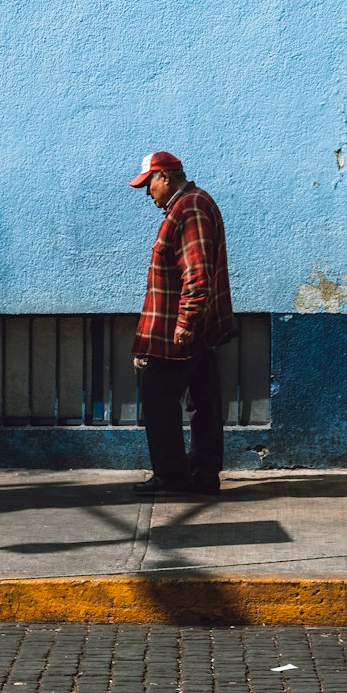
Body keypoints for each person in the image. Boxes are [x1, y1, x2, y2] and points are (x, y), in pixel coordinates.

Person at [129, 150, 236, 496]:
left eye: (149, 184)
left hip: (178, 331)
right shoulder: (191, 204)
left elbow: (196, 273)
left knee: (157, 394)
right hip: (194, 328)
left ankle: (173, 476)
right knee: (203, 400)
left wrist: (185, 324)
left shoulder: (188, 209)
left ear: (165, 177)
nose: (148, 193)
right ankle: (204, 474)